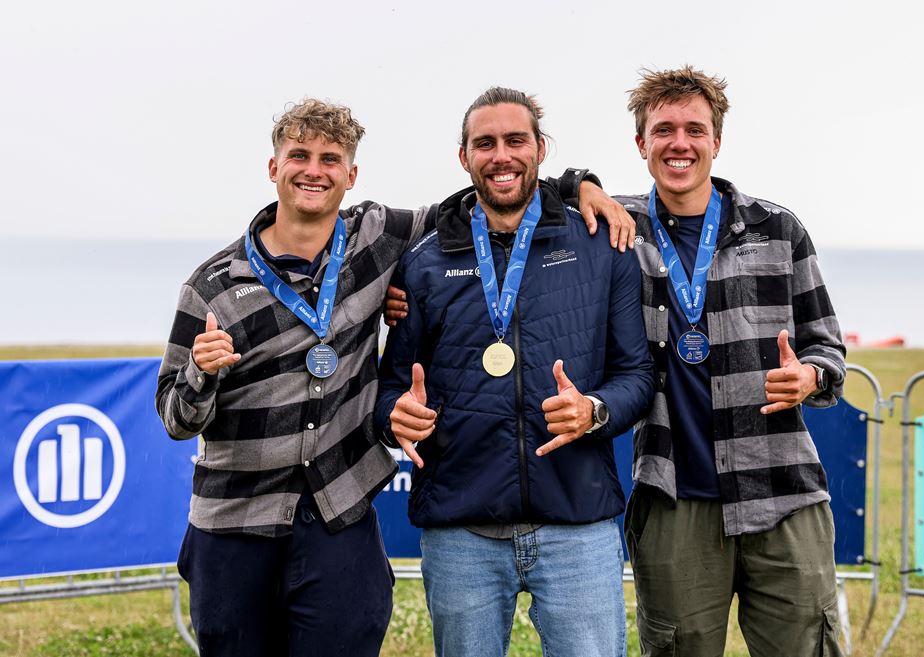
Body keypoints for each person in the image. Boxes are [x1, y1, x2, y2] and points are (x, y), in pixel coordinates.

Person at [156, 97, 634, 657]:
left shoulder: (378, 238)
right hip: (237, 521)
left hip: (338, 510)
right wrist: (200, 372)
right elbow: (174, 417)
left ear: (351, 174)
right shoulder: (212, 284)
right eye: (300, 156)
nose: (315, 170)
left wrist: (580, 183)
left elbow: (499, 192)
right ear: (273, 167)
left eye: (331, 159)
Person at [373, 87, 654, 657]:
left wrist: (594, 411)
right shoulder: (423, 262)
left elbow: (637, 375)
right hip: (461, 531)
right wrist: (394, 416)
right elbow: (391, 387)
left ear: (541, 150)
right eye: (485, 143)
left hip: (579, 524)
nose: (501, 155)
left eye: (515, 140)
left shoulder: (603, 244)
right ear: (464, 157)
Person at [590, 66, 847, 656]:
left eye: (694, 129)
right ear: (641, 144)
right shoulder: (613, 231)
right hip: (675, 499)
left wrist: (810, 375)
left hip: (782, 493)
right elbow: (526, 190)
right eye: (664, 130)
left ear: (717, 141)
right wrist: (582, 183)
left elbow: (826, 344)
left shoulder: (778, 230)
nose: (680, 143)